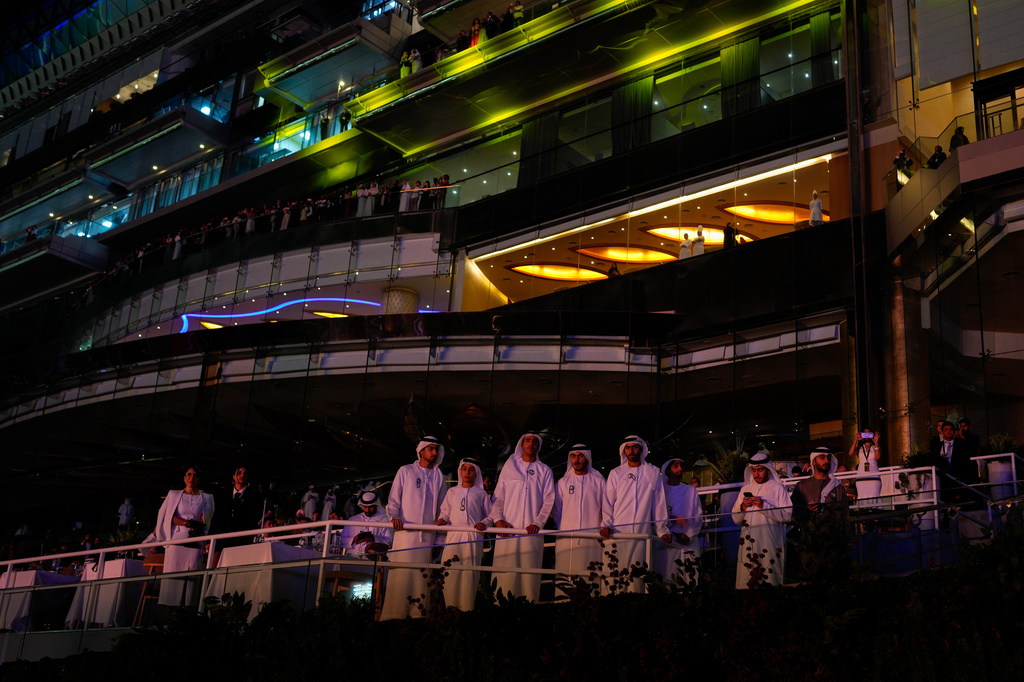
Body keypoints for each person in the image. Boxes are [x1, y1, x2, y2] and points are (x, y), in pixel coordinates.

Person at [381, 436, 447, 619]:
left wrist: (440, 535)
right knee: (401, 575)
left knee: (421, 577)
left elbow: (443, 508)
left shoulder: (439, 476)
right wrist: (393, 517)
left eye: (436, 449)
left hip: (427, 536)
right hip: (404, 534)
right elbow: (394, 498)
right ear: (421, 451)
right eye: (431, 449)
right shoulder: (406, 471)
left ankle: (419, 616)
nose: (434, 453)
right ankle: (394, 615)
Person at [485, 432, 555, 602]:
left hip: (532, 531)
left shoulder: (544, 470)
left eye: (535, 442)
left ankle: (529, 612)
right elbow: (498, 498)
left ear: (538, 447)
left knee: (529, 574)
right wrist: (498, 520)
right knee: (505, 573)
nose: (531, 444)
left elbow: (548, 501)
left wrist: (538, 523)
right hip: (507, 530)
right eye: (528, 441)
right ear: (522, 445)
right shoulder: (509, 468)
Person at [600, 436, 671, 593]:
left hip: (641, 531)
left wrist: (662, 530)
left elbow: (658, 504)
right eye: (628, 447)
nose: (631, 451)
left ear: (641, 449)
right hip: (618, 531)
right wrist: (606, 524)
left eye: (635, 447)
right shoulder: (616, 473)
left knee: (638, 574)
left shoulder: (653, 473)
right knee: (616, 574)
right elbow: (607, 502)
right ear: (624, 450)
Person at [151, 465, 215, 606]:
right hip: (176, 540)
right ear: (184, 477)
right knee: (173, 579)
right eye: (188, 474)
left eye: (194, 475)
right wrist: (187, 523)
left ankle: (188, 610)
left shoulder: (207, 497)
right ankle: (171, 614)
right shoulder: (174, 494)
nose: (191, 477)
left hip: (196, 541)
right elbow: (168, 516)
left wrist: (201, 523)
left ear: (199, 479)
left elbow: (208, 518)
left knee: (192, 579)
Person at [437, 458, 492, 611]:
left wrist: (484, 523)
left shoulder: (481, 493)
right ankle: (450, 608)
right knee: (450, 571)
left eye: (471, 469)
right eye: (464, 469)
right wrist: (442, 519)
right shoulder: (452, 491)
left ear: (476, 473)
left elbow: (491, 515)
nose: (467, 472)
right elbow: (445, 512)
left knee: (469, 573)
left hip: (473, 537)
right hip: (454, 536)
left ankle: (467, 609)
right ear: (460, 471)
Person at [731, 450, 791, 589]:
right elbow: (735, 518)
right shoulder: (745, 489)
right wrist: (743, 507)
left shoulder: (778, 488)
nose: (756, 474)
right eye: (753, 470)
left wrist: (763, 505)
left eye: (760, 470)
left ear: (768, 470)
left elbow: (787, 515)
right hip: (748, 544)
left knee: (771, 581)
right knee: (747, 582)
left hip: (770, 543)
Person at [790, 447, 849, 580]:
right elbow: (793, 513)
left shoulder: (838, 487)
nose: (826, 460)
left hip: (833, 544)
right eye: (822, 457)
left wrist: (844, 543)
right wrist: (806, 509)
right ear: (814, 462)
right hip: (809, 543)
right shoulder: (802, 486)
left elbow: (844, 517)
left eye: (828, 457)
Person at [553, 444, 606, 580]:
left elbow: (606, 508)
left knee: (590, 575)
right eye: (573, 456)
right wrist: (565, 528)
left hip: (592, 538)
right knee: (565, 575)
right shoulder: (563, 482)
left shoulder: (599, 482)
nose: (576, 460)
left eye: (580, 456)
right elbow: (557, 511)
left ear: (587, 457)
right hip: (566, 538)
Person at [657, 458, 703, 584]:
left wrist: (688, 535)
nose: (680, 468)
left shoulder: (690, 490)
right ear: (667, 470)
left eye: (681, 465)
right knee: (668, 579)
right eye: (675, 466)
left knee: (690, 579)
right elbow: (657, 516)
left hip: (689, 541)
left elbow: (698, 517)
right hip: (668, 541)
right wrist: (673, 519)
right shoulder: (661, 492)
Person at [213, 466, 263, 547]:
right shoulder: (224, 495)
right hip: (222, 539)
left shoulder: (254, 497)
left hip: (242, 540)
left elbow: (253, 519)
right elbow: (216, 517)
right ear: (234, 476)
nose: (242, 476)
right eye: (239, 473)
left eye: (245, 474)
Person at [931, 420, 980, 503]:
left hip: (959, 477)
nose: (948, 431)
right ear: (942, 432)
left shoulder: (961, 444)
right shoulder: (937, 446)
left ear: (954, 431)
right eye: (946, 429)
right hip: (943, 478)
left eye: (951, 429)